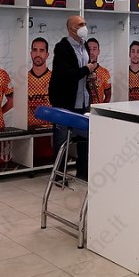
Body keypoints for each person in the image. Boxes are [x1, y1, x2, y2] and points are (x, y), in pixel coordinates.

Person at [48, 15, 97, 180]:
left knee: (85, 137)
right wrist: (86, 70)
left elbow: (83, 71)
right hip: (65, 101)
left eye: (85, 23)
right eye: (80, 24)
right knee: (61, 139)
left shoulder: (85, 46)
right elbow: (65, 74)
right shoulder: (62, 48)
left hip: (83, 99)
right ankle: (58, 175)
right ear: (71, 29)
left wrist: (89, 74)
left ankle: (83, 172)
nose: (84, 27)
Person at [27, 37, 52, 130]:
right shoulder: (23, 80)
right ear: (31, 53)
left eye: (41, 50)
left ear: (47, 54)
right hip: (28, 131)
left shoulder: (55, 79)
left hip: (50, 130)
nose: (37, 54)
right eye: (35, 50)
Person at [86, 37, 111, 104]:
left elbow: (108, 95)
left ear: (98, 51)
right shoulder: (80, 71)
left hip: (97, 108)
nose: (91, 52)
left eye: (94, 49)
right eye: (89, 49)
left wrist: (101, 108)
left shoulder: (105, 72)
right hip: (82, 109)